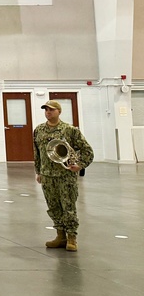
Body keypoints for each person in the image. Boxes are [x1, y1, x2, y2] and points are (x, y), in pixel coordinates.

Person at [34, 100, 94, 252]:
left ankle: (72, 237)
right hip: (47, 176)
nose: (48, 112)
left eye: (52, 110)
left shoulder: (69, 130)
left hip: (65, 176)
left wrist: (79, 165)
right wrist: (38, 171)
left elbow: (87, 150)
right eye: (46, 110)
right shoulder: (39, 130)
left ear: (59, 112)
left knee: (68, 207)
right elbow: (37, 153)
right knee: (53, 207)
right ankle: (60, 236)